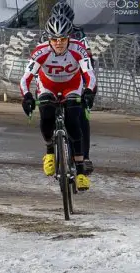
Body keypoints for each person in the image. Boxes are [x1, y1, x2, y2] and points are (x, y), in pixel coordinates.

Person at [19, 15, 96, 191]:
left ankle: (80, 170)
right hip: (48, 86)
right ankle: (49, 152)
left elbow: (89, 74)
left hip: (72, 86)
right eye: (54, 39)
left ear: (69, 37)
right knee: (46, 114)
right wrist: (27, 97)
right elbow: (25, 78)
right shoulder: (40, 51)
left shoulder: (79, 49)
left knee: (73, 121)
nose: (59, 43)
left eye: (63, 39)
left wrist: (89, 91)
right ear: (49, 39)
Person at [44, 1, 94, 174]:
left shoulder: (79, 34)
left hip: (76, 76)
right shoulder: (48, 34)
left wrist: (89, 84)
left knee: (81, 116)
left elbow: (88, 58)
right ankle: (50, 146)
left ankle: (84, 157)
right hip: (52, 78)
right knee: (45, 107)